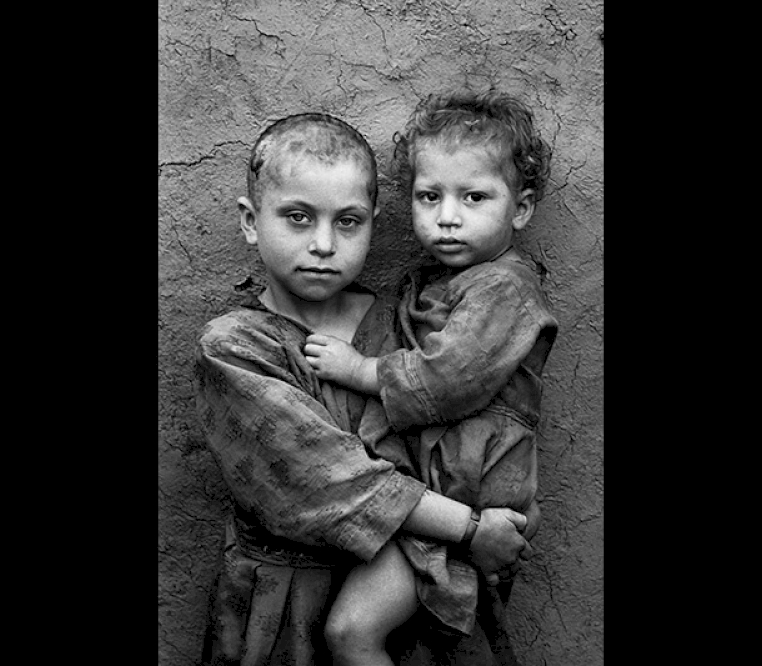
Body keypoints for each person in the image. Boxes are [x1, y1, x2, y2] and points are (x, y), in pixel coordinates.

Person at [195, 112, 539, 666]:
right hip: (281, 609)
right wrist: (472, 528)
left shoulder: (403, 326)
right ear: (250, 220)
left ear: (375, 223)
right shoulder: (234, 348)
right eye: (298, 218)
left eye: (349, 222)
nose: (324, 244)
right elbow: (328, 480)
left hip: (407, 600)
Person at [302, 90, 559, 666]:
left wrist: (360, 369)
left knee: (351, 631)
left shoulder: (504, 287)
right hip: (443, 491)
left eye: (474, 197)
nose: (447, 216)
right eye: (429, 196)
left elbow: (449, 379)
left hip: (470, 495)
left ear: (520, 209)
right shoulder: (439, 282)